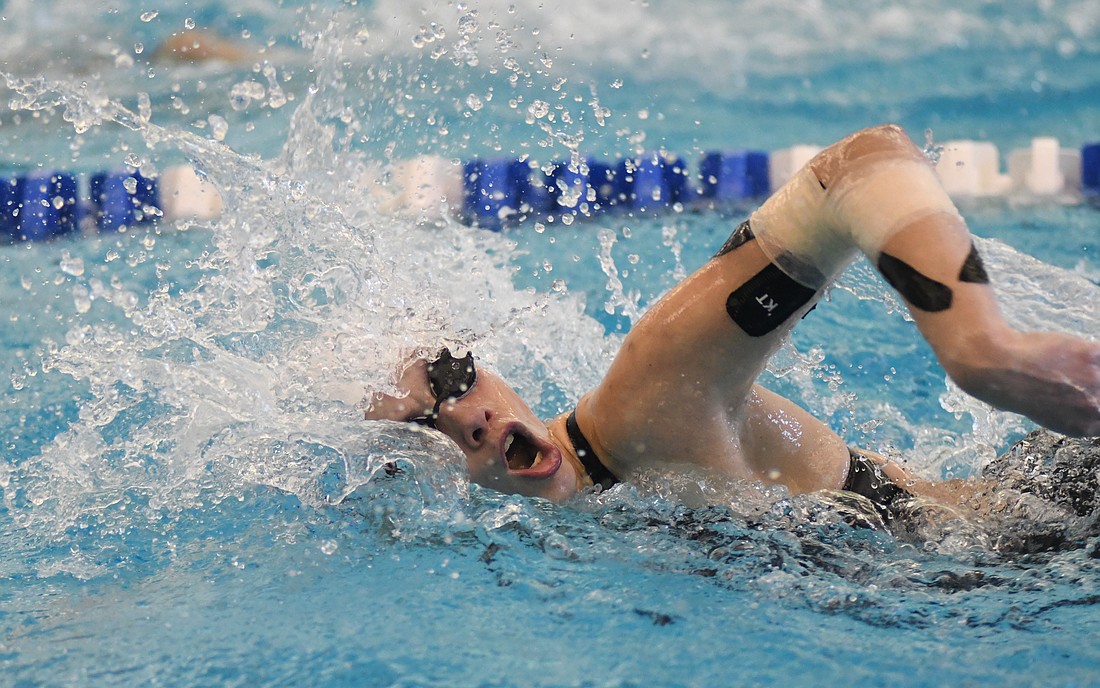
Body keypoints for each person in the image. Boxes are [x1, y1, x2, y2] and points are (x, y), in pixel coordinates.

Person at [365, 124, 1100, 520]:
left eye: (449, 375)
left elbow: (860, 165)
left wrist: (978, 347)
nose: (462, 414)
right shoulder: (598, 510)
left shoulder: (648, 395)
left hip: (1039, 531)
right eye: (419, 425)